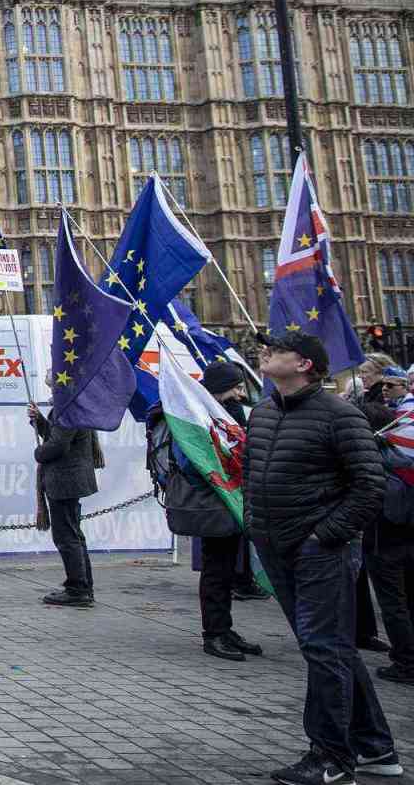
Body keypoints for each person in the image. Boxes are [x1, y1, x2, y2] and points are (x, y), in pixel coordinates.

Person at [247, 332, 398, 784]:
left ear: (305, 365)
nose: (265, 352)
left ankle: (332, 759)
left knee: (323, 649)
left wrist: (324, 535)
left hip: (321, 551)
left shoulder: (339, 414)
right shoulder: (264, 411)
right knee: (330, 649)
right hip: (276, 546)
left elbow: (370, 486)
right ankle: (375, 747)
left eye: (277, 349)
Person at [144, 360, 263, 662]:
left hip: (230, 499)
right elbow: (193, 462)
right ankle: (215, 634)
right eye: (236, 386)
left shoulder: (223, 413)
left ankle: (225, 628)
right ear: (223, 389)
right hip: (214, 502)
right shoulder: (198, 416)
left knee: (224, 569)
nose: (240, 393)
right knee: (216, 570)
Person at [356, 366, 414, 685]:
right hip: (406, 535)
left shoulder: (376, 464)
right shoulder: (404, 457)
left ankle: (405, 661)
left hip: (384, 540)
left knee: (394, 604)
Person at [30, 393, 100, 608]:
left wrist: (39, 453)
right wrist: (40, 421)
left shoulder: (67, 407)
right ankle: (83, 586)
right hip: (70, 479)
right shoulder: (73, 403)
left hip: (65, 480)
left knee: (67, 536)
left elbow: (58, 445)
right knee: (73, 534)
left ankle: (77, 588)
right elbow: (56, 435)